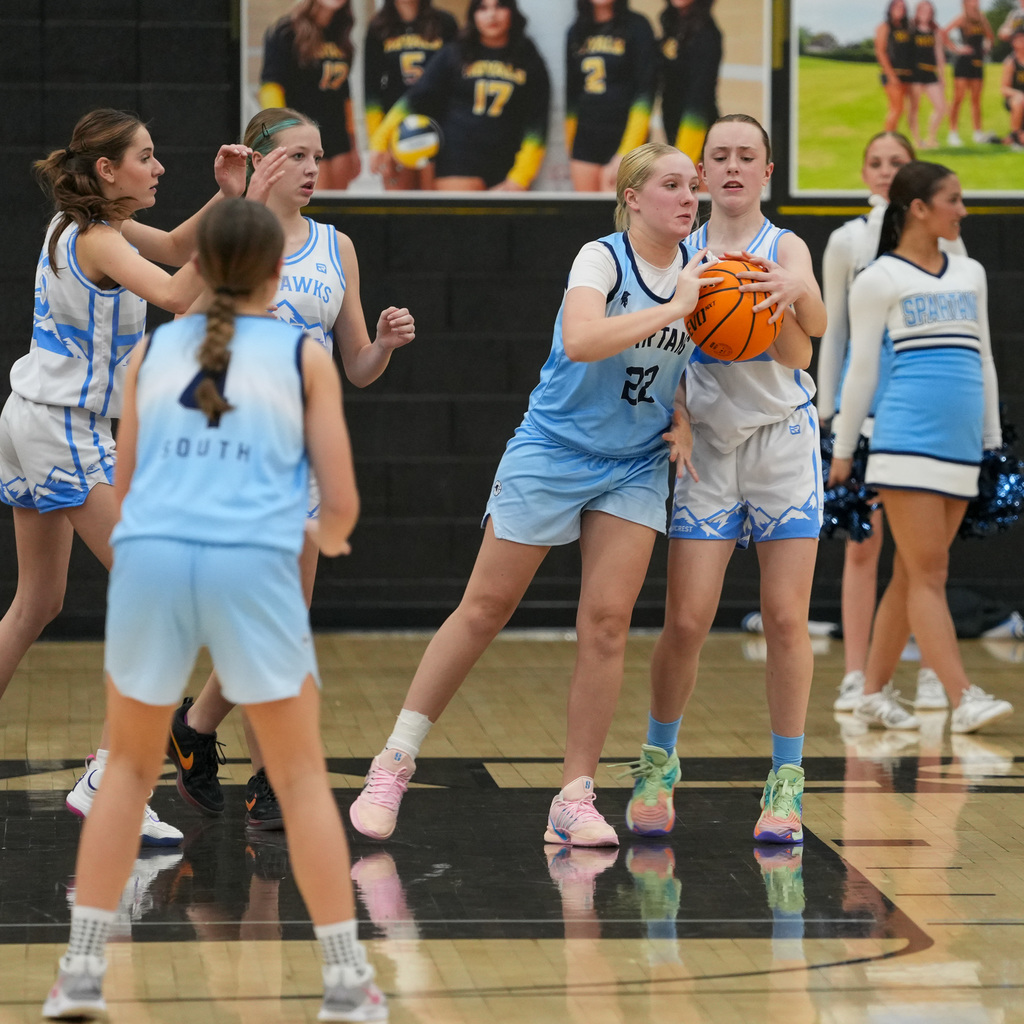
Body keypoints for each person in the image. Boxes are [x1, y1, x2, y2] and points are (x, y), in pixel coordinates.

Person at [40, 197, 386, 1022]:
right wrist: (322, 533)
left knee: (123, 774)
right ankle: (344, 983)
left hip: (153, 561)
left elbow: (123, 494)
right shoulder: (304, 356)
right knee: (301, 777)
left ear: (202, 270)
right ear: (277, 273)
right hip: (250, 563)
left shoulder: (151, 354)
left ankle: (80, 973)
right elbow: (336, 504)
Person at [348, 142, 716, 848]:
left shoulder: (701, 276)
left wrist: (684, 419)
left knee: (607, 626)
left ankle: (574, 795)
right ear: (632, 197)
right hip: (553, 449)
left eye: (691, 186)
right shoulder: (601, 258)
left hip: (634, 462)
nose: (688, 196)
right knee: (485, 608)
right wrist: (675, 305)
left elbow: (679, 367)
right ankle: (393, 760)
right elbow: (582, 341)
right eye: (671, 184)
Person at [0, 108, 269, 848]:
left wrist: (230, 193)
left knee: (35, 605)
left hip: (29, 420)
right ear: (108, 171)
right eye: (146, 158)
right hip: (66, 429)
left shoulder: (82, 228)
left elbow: (181, 248)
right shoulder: (95, 238)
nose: (158, 169)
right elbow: (181, 292)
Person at [166, 106, 415, 829]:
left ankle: (199, 728)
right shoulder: (229, 239)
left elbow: (358, 365)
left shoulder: (337, 247)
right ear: (260, 161)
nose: (312, 169)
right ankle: (264, 773)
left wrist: (387, 346)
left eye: (319, 156)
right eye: (298, 156)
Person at [622, 114, 827, 847]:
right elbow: (664, 354)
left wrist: (777, 300)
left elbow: (808, 345)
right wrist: (675, 414)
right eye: (721, 157)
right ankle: (657, 762)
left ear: (768, 171)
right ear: (701, 174)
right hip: (705, 447)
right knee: (686, 620)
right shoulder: (680, 254)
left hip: (781, 442)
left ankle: (786, 781)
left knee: (783, 618)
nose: (734, 167)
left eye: (749, 156)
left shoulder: (787, 246)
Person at [829, 160, 1013, 736]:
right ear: (919, 209)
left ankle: (874, 694)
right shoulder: (878, 278)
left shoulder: (971, 273)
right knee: (932, 572)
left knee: (912, 573)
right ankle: (964, 697)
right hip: (902, 442)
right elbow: (859, 371)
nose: (962, 210)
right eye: (953, 200)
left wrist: (991, 440)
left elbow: (983, 359)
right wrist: (840, 445)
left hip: (961, 447)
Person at [817, 131, 962, 716]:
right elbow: (835, 337)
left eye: (896, 163)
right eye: (874, 162)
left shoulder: (949, 243)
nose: (884, 171)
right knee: (862, 548)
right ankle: (857, 675)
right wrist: (830, 416)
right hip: (867, 411)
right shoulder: (847, 241)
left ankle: (931, 670)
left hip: (923, 415)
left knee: (924, 556)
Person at [368, 0, 551, 191]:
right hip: (458, 161)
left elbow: (537, 125)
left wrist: (519, 180)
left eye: (500, 6)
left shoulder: (530, 59)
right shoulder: (454, 52)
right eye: (483, 8)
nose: (492, 15)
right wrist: (379, 141)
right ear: (473, 15)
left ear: (512, 12)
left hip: (506, 163)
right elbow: (415, 99)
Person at [260, 0, 361, 190]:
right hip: (302, 136)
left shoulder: (340, 32)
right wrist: (283, 136)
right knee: (314, 209)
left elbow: (344, 96)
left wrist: (354, 146)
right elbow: (271, 87)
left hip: (338, 139)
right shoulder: (286, 31)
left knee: (337, 214)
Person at [363, 0, 459, 190]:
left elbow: (456, 79)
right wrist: (379, 142)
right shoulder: (378, 26)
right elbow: (371, 92)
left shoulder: (445, 23)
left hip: (439, 123)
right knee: (399, 206)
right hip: (395, 126)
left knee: (433, 204)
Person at [565, 0, 657, 193]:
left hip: (624, 136)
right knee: (586, 217)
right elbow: (572, 96)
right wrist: (571, 144)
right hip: (585, 140)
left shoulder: (637, 26)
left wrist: (627, 152)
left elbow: (645, 94)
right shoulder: (576, 31)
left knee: (620, 218)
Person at [657, 0, 722, 164]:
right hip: (673, 122)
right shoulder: (671, 24)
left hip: (697, 128)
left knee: (693, 185)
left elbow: (699, 98)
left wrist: (683, 155)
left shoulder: (707, 34)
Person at [941, 0, 997, 146]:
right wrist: (957, 48)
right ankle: (953, 133)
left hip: (978, 63)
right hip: (963, 63)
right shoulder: (961, 18)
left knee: (976, 100)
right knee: (958, 98)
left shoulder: (982, 18)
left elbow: (991, 37)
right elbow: (943, 33)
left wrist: (987, 48)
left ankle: (978, 133)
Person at [907, 1, 947, 150]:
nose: (926, 13)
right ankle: (917, 141)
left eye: (929, 10)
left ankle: (931, 138)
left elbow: (939, 54)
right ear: (917, 11)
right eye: (923, 10)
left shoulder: (935, 31)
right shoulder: (910, 30)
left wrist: (942, 76)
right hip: (915, 74)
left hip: (931, 73)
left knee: (941, 107)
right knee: (914, 108)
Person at [875, 0, 915, 133]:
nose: (900, 9)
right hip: (893, 74)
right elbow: (880, 52)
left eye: (903, 7)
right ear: (890, 9)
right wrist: (891, 75)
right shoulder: (885, 27)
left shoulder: (908, 27)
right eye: (897, 6)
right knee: (896, 108)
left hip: (908, 74)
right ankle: (887, 138)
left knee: (908, 109)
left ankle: (897, 137)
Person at [1000, 28, 1024, 150]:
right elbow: (1004, 88)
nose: (1021, 42)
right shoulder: (1011, 62)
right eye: (1018, 40)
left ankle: (1010, 138)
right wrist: (1018, 94)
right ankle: (1015, 137)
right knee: (1020, 100)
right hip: (1016, 101)